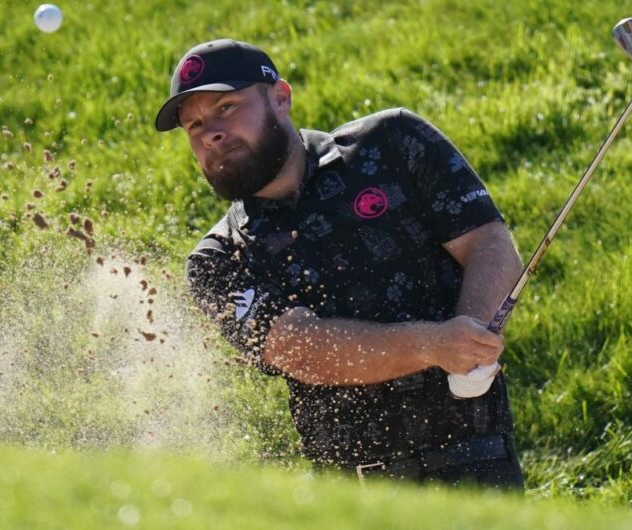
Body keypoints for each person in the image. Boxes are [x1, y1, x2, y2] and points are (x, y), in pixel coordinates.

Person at [155, 39, 525, 489]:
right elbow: (302, 350)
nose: (210, 132)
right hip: (357, 493)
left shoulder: (393, 143)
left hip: (479, 464)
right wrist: (436, 345)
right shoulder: (218, 261)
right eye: (193, 126)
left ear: (281, 98)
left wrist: (473, 332)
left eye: (227, 107)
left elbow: (486, 241)